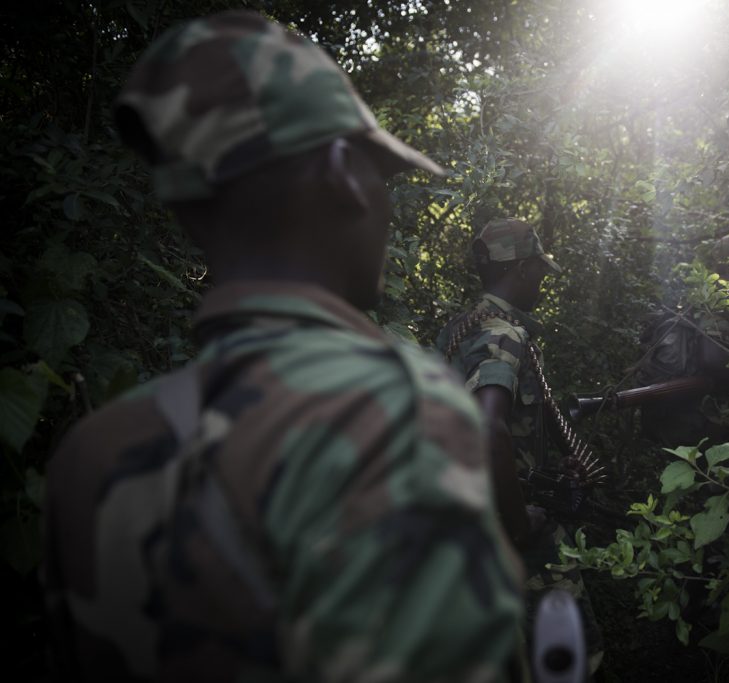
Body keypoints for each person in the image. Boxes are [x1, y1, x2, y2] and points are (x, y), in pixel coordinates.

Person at [42, 12, 523, 682]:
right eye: (379, 168)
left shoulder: (89, 455)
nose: (384, 199)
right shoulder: (398, 409)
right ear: (339, 172)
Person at [436, 218, 602, 675]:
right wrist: (520, 524)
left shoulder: (456, 331)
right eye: (541, 273)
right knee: (572, 661)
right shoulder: (503, 334)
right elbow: (489, 430)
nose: (542, 283)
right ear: (524, 268)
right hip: (513, 532)